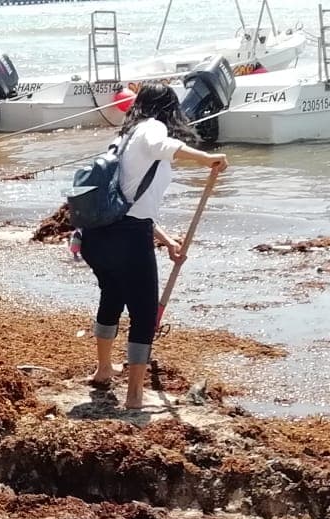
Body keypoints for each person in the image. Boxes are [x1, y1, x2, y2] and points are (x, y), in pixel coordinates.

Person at [79, 83, 227, 409]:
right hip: (128, 239)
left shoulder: (123, 138)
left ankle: (103, 370)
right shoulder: (152, 128)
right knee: (144, 314)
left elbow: (128, 207)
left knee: (112, 297)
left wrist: (168, 241)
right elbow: (163, 145)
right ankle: (134, 395)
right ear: (168, 109)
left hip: (97, 236)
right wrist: (207, 159)